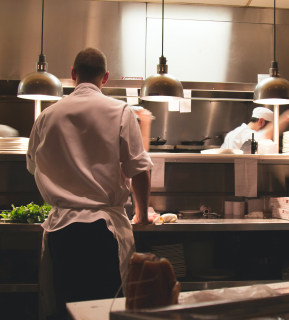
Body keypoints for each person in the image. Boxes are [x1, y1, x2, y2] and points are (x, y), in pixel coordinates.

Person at [26, 47, 158, 319]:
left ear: (73, 74)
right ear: (105, 77)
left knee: (68, 309)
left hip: (61, 231)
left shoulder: (47, 116)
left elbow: (33, 167)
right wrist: (142, 214)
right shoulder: (120, 111)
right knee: (106, 311)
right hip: (103, 232)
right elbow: (139, 170)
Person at [221, 107, 289, 149]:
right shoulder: (245, 133)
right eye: (269, 126)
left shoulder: (233, 133)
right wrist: (286, 117)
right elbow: (264, 135)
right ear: (261, 121)